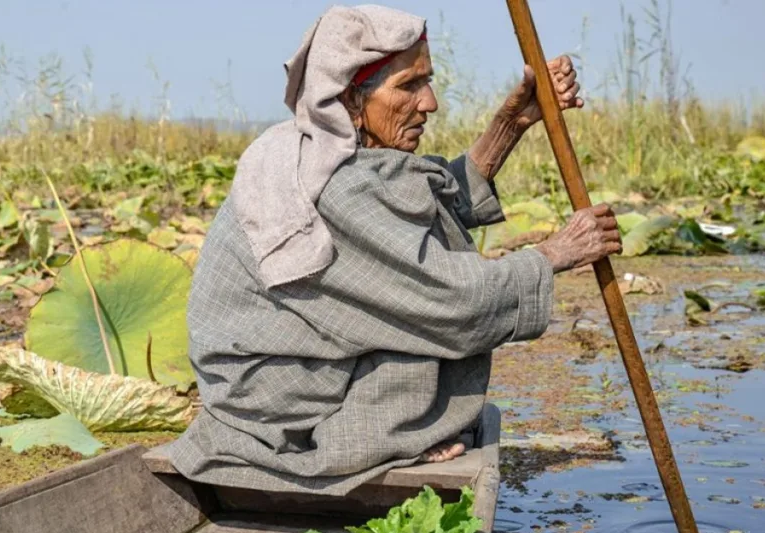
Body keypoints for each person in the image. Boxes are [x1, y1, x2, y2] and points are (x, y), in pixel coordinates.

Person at [165, 5, 622, 496]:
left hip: (286, 371)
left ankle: (394, 431)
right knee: (422, 337)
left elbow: (425, 210)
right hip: (270, 402)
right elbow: (452, 302)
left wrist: (511, 124)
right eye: (408, 86)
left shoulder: (319, 147)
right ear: (348, 97)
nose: (430, 103)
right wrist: (555, 253)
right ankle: (381, 439)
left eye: (427, 81)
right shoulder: (333, 186)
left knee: (411, 324)